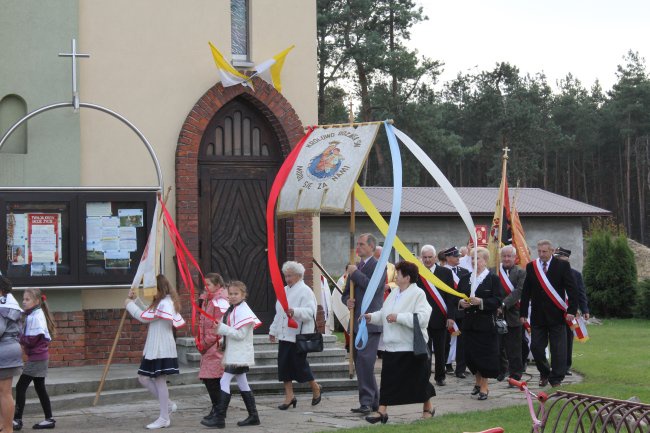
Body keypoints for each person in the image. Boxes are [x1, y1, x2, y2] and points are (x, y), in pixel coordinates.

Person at [363, 261, 435, 424]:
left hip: (410, 347)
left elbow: (423, 319)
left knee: (419, 381)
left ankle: (428, 407)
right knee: (388, 381)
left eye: (398, 273)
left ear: (407, 277)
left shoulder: (418, 294)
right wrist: (371, 317)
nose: (395, 275)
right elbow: (384, 314)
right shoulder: (395, 292)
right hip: (392, 346)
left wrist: (399, 318)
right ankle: (382, 412)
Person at [125, 275, 185, 430]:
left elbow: (144, 317)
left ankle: (164, 417)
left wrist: (129, 305)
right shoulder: (162, 302)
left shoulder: (165, 303)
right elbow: (149, 312)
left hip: (161, 348)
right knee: (143, 378)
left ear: (160, 289)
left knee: (158, 380)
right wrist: (135, 300)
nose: (149, 293)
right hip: (155, 347)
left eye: (151, 289)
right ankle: (168, 405)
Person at [519, 240, 577, 388]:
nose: (541, 254)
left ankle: (556, 378)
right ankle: (544, 372)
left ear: (551, 251)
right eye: (539, 251)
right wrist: (523, 312)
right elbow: (526, 291)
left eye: (544, 251)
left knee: (558, 350)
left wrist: (571, 310)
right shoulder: (532, 266)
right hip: (538, 316)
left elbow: (571, 288)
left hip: (557, 315)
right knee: (536, 348)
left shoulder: (562, 265)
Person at [341, 233, 385, 415]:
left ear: (371, 247)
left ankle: (366, 402)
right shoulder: (356, 267)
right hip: (357, 322)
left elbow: (371, 286)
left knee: (365, 362)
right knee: (360, 362)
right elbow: (345, 293)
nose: (357, 248)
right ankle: (375, 401)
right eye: (357, 244)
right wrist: (347, 301)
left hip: (371, 321)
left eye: (361, 244)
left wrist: (354, 273)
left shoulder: (379, 267)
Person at [269, 261, 322, 410]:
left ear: (299, 276)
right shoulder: (283, 290)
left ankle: (315, 387)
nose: (287, 279)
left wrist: (295, 311)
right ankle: (289, 396)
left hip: (298, 336)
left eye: (290, 275)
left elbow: (311, 313)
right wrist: (273, 331)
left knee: (300, 366)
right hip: (285, 335)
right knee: (284, 367)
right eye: (285, 276)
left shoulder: (306, 291)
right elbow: (278, 313)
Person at [212, 281, 262, 428]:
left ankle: (219, 418)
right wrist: (222, 339)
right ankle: (254, 416)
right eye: (230, 294)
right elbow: (229, 329)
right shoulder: (233, 309)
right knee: (242, 383)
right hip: (235, 353)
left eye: (236, 294)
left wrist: (222, 329)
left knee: (224, 381)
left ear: (243, 295)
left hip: (239, 355)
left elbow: (240, 335)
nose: (232, 296)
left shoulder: (244, 311)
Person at [458, 247, 504, 400]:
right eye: (472, 258)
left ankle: (484, 387)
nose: (474, 261)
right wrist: (460, 303)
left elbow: (498, 300)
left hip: (485, 324)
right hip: (469, 324)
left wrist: (482, 302)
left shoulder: (492, 279)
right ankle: (477, 382)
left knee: (484, 356)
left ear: (485, 261)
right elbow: (456, 297)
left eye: (477, 258)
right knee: (471, 356)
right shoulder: (465, 278)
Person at [13, 289, 56, 431]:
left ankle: (17, 420)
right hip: (40, 357)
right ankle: (49, 419)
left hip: (37, 359)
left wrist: (17, 336)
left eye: (27, 299)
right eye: (23, 299)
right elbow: (24, 314)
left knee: (20, 387)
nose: (24, 302)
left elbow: (31, 340)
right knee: (40, 388)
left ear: (37, 301)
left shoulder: (36, 317)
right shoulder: (34, 313)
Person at [415, 245, 455, 386]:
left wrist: (451, 316)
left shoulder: (445, 273)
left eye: (429, 257)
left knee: (440, 350)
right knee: (424, 351)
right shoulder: (417, 273)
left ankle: (440, 376)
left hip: (440, 317)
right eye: (424, 257)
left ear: (435, 258)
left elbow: (451, 297)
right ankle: (424, 377)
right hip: (422, 318)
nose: (427, 260)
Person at [198, 273, 229, 427]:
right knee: (209, 379)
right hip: (207, 345)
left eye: (209, 284)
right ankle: (216, 409)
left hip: (215, 345)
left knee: (213, 380)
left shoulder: (220, 301)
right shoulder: (207, 299)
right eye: (205, 284)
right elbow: (203, 321)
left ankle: (219, 412)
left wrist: (205, 342)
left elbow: (218, 325)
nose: (206, 287)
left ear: (218, 285)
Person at [554, 247, 590, 376]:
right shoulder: (551, 273)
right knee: (555, 340)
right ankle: (556, 366)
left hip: (570, 312)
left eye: (561, 259)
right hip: (555, 312)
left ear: (567, 260)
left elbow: (581, 293)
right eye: (557, 259)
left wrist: (585, 309)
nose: (558, 262)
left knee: (568, 339)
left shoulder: (575, 274)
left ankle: (566, 366)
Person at [495, 246, 526, 383]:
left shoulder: (521, 272)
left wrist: (503, 304)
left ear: (515, 258)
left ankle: (515, 374)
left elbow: (519, 291)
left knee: (514, 347)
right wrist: (496, 304)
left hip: (514, 314)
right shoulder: (494, 271)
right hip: (497, 314)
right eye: (504, 256)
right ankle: (501, 371)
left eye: (509, 256)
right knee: (498, 346)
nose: (506, 259)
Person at [442, 246, 470, 377]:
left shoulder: (464, 272)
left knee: (462, 341)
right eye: (455, 256)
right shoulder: (441, 271)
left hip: (462, 310)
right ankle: (445, 364)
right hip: (448, 309)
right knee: (447, 340)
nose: (459, 258)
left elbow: (466, 290)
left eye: (459, 256)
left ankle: (460, 368)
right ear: (447, 258)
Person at [0, 276, 23, 433]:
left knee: (4, 392)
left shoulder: (2, 307)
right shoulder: (11, 303)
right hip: (10, 348)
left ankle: (7, 428)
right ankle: (3, 425)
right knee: (3, 391)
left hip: (4, 351)